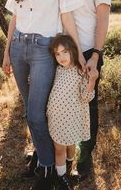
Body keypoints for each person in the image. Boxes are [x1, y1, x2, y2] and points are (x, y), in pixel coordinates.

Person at [2, 0, 84, 190]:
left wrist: (79, 52)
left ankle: (48, 168)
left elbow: (67, 15)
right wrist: (6, 52)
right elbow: (14, 18)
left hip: (41, 50)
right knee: (30, 111)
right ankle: (41, 159)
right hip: (18, 47)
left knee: (37, 114)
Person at [43, 0, 113, 179]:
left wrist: (96, 54)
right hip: (60, 51)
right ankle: (54, 155)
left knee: (88, 107)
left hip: (86, 52)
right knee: (57, 102)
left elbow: (103, 18)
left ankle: (85, 159)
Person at [47, 34, 98, 190]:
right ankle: (61, 178)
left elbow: (86, 97)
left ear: (73, 51)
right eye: (57, 53)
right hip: (56, 117)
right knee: (59, 149)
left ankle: (68, 167)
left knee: (70, 146)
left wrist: (92, 81)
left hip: (72, 118)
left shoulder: (80, 72)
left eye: (64, 52)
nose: (61, 57)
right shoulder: (57, 70)